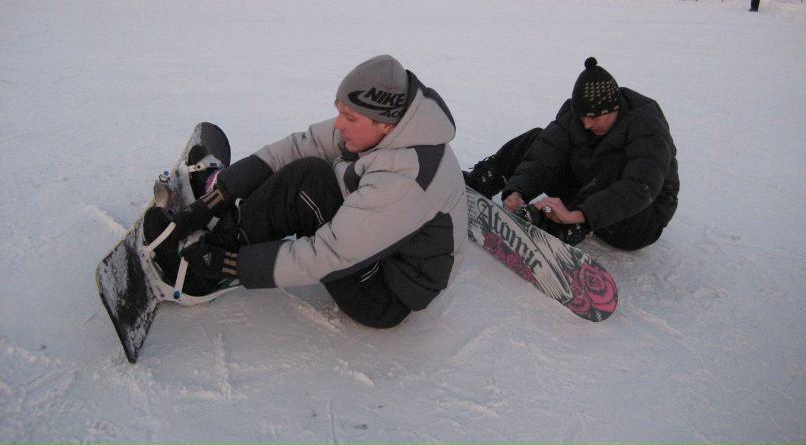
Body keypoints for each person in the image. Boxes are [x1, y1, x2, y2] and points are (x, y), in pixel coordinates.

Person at [146, 55, 467, 329]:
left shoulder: (405, 179)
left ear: (385, 125)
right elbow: (304, 144)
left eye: (349, 117)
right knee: (309, 166)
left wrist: (229, 264)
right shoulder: (385, 123)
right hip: (375, 234)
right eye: (340, 111)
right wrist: (223, 192)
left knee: (308, 185)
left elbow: (327, 255)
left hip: (384, 291)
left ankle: (200, 278)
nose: (339, 124)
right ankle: (229, 219)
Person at [464, 57, 679, 251]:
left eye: (593, 117)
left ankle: (563, 226)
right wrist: (518, 190)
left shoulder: (647, 125)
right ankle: (482, 181)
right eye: (582, 116)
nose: (586, 123)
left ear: (613, 109)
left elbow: (641, 186)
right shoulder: (576, 117)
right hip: (591, 192)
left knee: (613, 162)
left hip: (639, 220)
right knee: (537, 138)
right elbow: (545, 156)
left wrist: (579, 215)